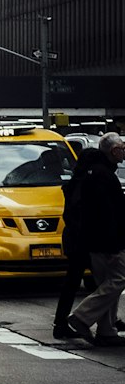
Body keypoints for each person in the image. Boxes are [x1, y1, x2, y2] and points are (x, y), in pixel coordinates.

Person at [62, 133, 125, 347]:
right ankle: (81, 317)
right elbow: (107, 213)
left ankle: (106, 330)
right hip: (106, 241)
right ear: (113, 151)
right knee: (118, 279)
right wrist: (115, 242)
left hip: (93, 240)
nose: (124, 150)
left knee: (106, 283)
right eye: (121, 147)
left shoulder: (95, 173)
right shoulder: (103, 175)